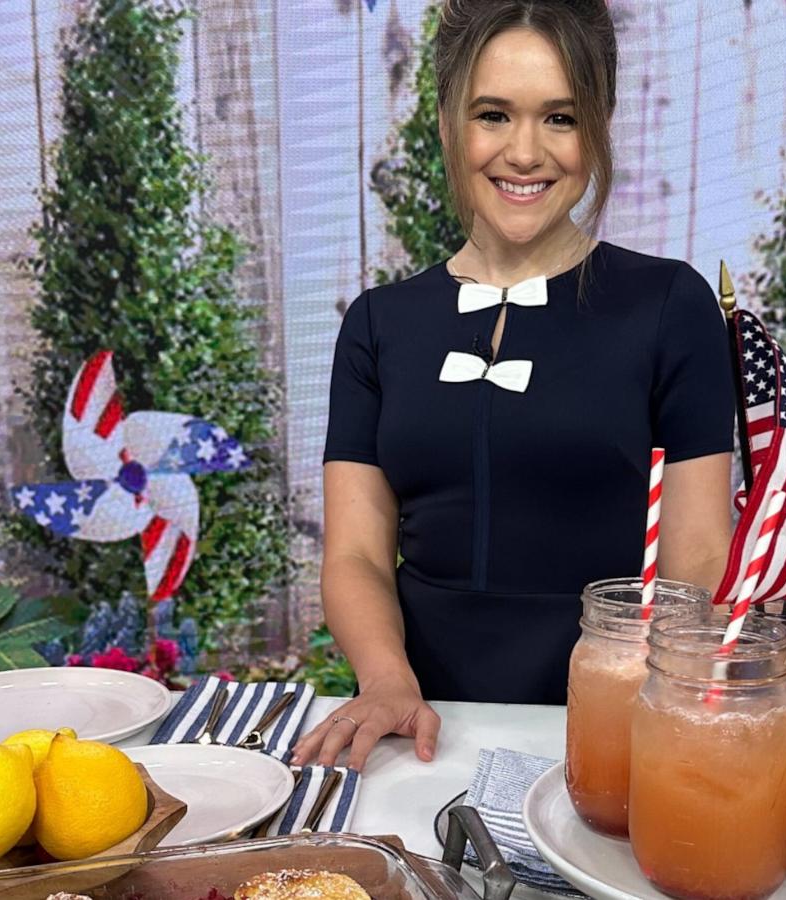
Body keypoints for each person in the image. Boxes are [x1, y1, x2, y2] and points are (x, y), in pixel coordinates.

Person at [292, 0, 734, 772]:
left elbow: (697, 551)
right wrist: (388, 680)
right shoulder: (376, 323)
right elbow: (357, 553)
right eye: (493, 114)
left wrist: (651, 696)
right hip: (419, 726)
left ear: (597, 125)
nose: (524, 152)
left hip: (613, 725)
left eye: (559, 118)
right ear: (446, 121)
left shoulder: (670, 304)